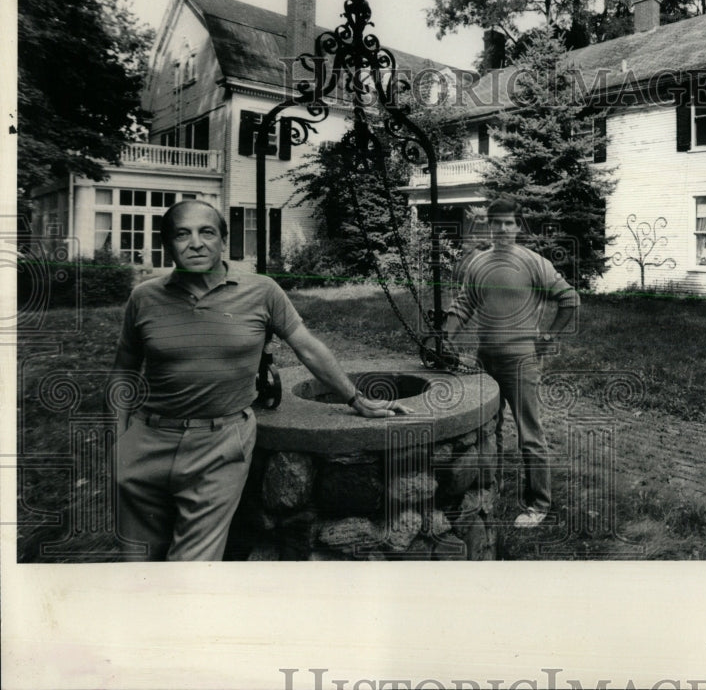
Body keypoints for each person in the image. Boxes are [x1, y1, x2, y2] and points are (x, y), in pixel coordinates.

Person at [107, 199, 408, 561]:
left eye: (207, 232)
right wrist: (118, 434)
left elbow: (307, 348)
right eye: (181, 234)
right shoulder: (144, 298)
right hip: (146, 441)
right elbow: (124, 368)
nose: (196, 243)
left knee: (192, 566)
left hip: (219, 443)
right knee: (136, 561)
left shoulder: (262, 291)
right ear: (166, 244)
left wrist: (356, 399)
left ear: (223, 240)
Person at [442, 199, 580, 529]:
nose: (503, 229)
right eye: (497, 223)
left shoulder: (534, 263)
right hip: (484, 359)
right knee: (490, 431)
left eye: (509, 223)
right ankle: (492, 489)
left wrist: (548, 337)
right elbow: (463, 305)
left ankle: (538, 504)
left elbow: (570, 300)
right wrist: (446, 337)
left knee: (529, 435)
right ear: (488, 225)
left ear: (519, 226)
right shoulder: (478, 263)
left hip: (522, 364)